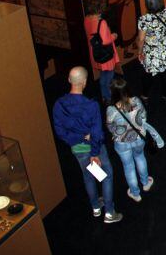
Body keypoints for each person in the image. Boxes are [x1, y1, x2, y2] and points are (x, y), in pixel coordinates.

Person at [52, 67, 122, 224]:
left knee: (88, 176)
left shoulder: (59, 105)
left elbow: (60, 131)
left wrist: (77, 138)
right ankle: (109, 212)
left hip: (77, 148)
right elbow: (97, 133)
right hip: (93, 148)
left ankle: (96, 207)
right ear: (84, 82)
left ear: (69, 80)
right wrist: (94, 152)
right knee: (107, 175)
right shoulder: (91, 105)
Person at [106, 77, 165, 202]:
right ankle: (145, 182)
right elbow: (144, 117)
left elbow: (111, 128)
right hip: (139, 138)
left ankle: (135, 193)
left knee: (128, 166)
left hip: (122, 143)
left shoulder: (111, 110)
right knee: (140, 158)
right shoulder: (136, 101)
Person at [137, 0, 166, 104]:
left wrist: (140, 52)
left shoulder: (144, 19)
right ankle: (165, 95)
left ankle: (145, 96)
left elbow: (141, 40)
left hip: (153, 53)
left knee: (148, 74)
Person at [83, 3, 119, 103]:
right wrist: (114, 36)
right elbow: (105, 40)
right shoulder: (101, 22)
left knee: (103, 75)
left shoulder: (86, 19)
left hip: (95, 51)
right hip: (105, 53)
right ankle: (109, 98)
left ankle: (104, 95)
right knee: (109, 75)